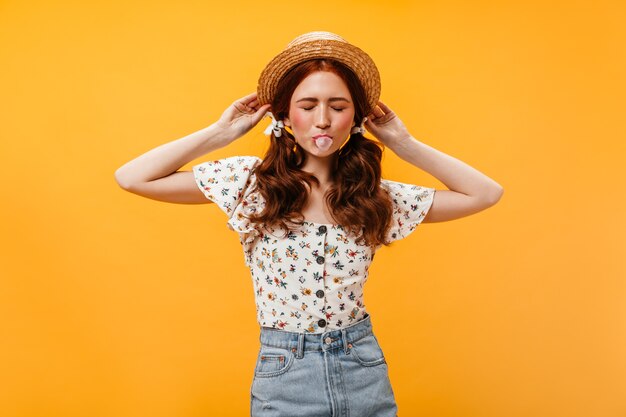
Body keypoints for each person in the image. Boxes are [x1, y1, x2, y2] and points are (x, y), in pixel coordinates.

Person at [115, 31, 503, 417]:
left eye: (337, 106)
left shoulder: (373, 195)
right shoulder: (251, 185)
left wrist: (404, 143)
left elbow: (485, 194)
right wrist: (219, 134)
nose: (322, 120)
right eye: (307, 105)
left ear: (356, 118)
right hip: (285, 373)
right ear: (283, 115)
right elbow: (132, 177)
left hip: (361, 366)